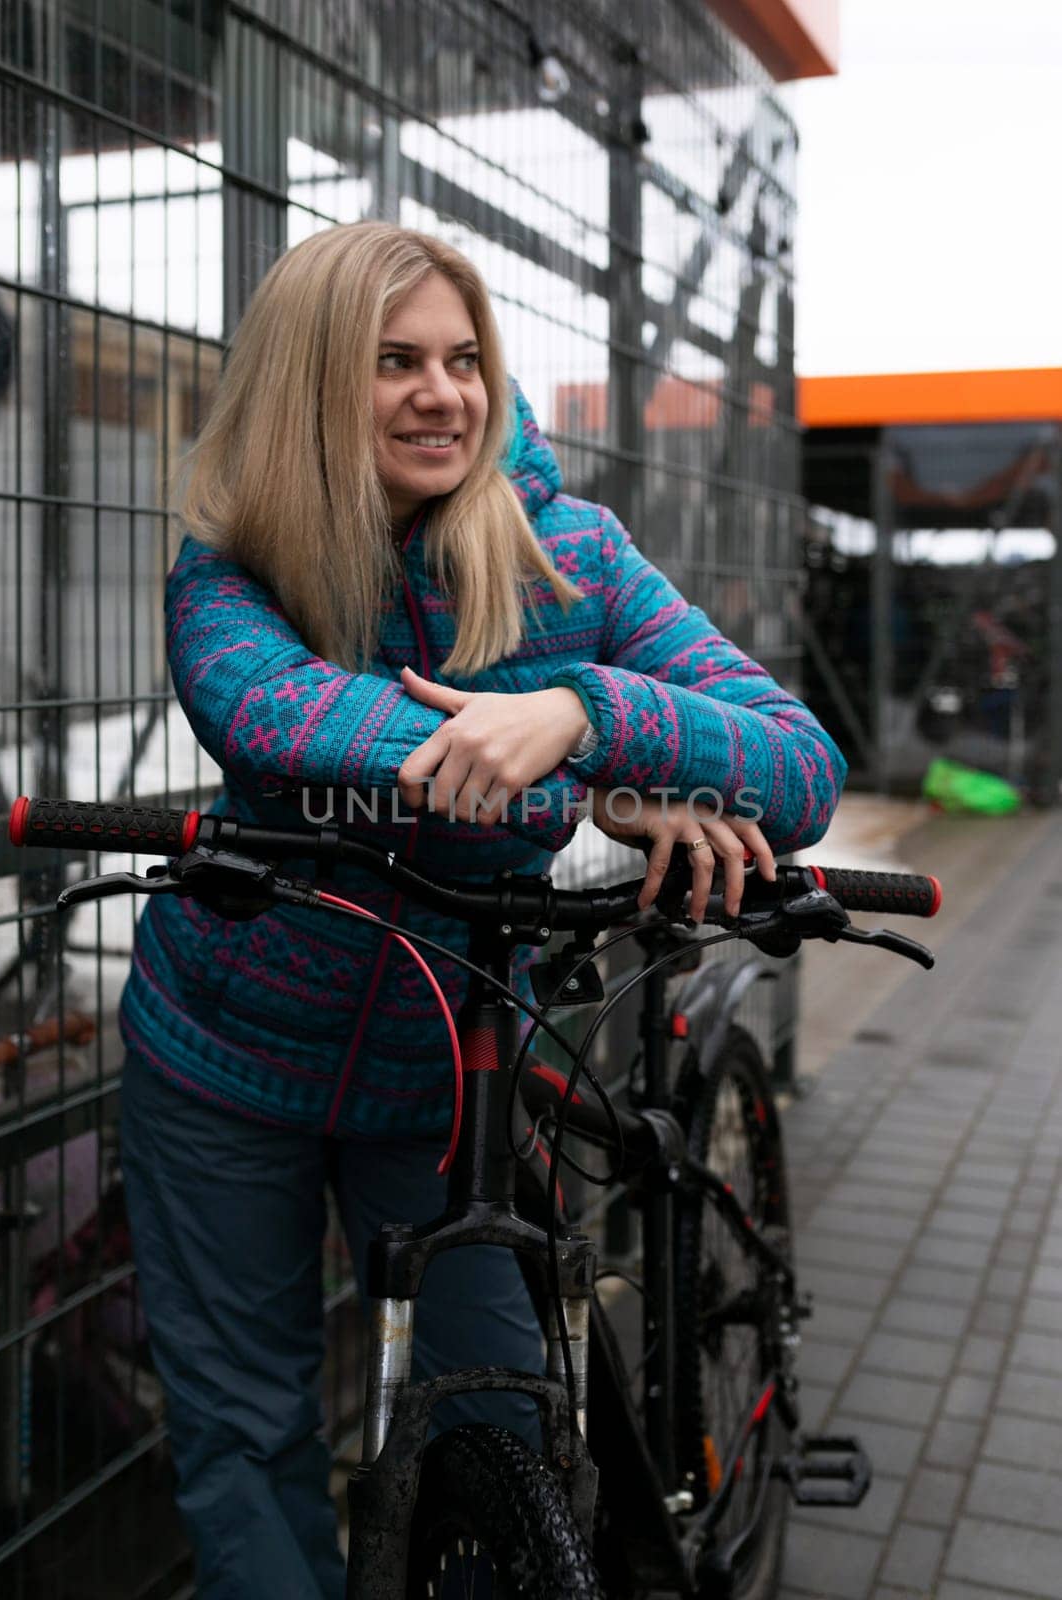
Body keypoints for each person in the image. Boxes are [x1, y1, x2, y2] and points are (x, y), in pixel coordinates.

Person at [117, 221, 846, 1599]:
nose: (442, 393)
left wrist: (582, 709)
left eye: (463, 359)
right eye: (393, 362)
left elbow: (800, 759)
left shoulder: (574, 554)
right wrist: (608, 796)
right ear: (312, 379)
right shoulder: (235, 563)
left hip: (442, 1083)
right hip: (217, 1066)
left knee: (501, 1426)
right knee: (246, 1444)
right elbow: (277, 720)